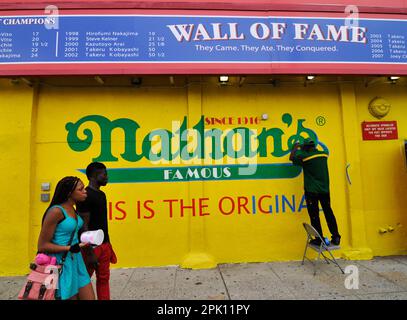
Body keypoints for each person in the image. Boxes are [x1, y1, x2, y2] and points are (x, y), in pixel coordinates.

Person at [37, 176, 95, 300]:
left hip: (77, 261)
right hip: (61, 263)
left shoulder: (74, 210)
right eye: (81, 189)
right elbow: (42, 245)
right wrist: (70, 248)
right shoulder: (56, 211)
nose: (85, 191)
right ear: (70, 193)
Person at [77, 162, 117, 300]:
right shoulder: (85, 196)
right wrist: (90, 252)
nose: (107, 177)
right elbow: (83, 226)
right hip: (91, 248)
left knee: (104, 279)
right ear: (94, 176)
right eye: (104, 174)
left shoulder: (101, 195)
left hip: (104, 245)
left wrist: (108, 245)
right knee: (83, 281)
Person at [290, 138, 341, 246]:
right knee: (328, 212)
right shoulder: (324, 155)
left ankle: (319, 239)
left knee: (314, 215)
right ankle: (336, 236)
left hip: (312, 190)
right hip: (325, 190)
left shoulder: (305, 156)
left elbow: (292, 157)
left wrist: (296, 147)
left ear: (306, 148)